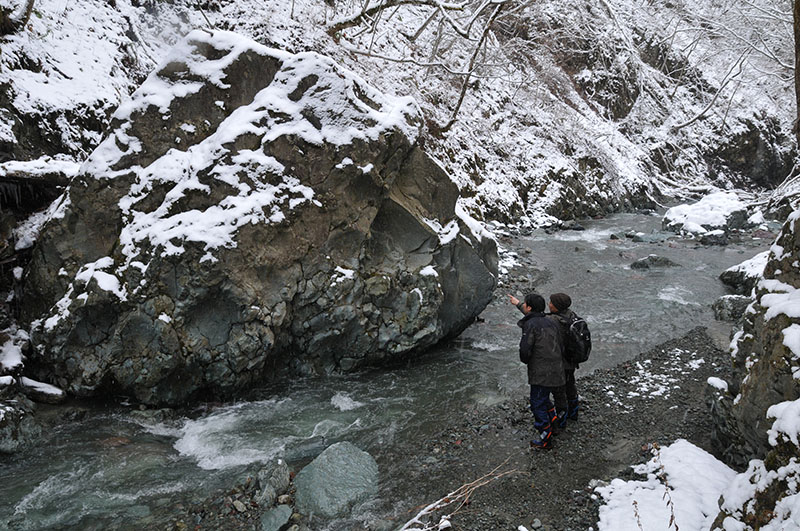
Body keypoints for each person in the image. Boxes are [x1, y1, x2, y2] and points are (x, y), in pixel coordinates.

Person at [509, 293, 565, 450]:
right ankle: (554, 422)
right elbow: (561, 345)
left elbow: (526, 349)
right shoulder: (551, 321)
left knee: (537, 402)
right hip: (557, 367)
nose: (524, 305)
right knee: (544, 397)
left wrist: (526, 360)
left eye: (525, 304)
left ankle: (544, 437)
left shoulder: (531, 324)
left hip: (541, 370)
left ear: (529, 307)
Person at [548, 293, 580, 425]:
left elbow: (534, 319)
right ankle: (574, 412)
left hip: (559, 362)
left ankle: (561, 419)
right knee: (570, 384)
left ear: (556, 306)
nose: (548, 304)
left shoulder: (553, 321)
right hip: (571, 360)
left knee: (558, 390)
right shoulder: (572, 316)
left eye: (551, 302)